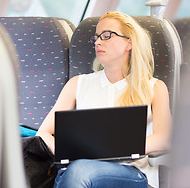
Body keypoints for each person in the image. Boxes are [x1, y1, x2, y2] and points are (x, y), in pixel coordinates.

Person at [36, 11, 172, 188]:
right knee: (74, 170)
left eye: (107, 35)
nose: (98, 41)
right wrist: (66, 152)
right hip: (78, 168)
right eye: (97, 37)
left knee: (78, 171)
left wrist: (114, 147)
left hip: (130, 173)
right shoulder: (78, 84)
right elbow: (43, 133)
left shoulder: (154, 87)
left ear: (129, 42)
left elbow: (164, 138)